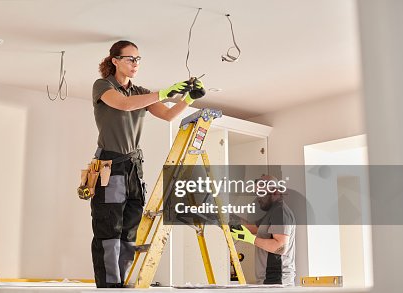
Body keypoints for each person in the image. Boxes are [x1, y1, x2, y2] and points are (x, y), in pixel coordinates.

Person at [90, 40, 205, 288]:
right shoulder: (103, 86)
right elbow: (123, 104)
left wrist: (189, 98)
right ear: (115, 61)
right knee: (109, 229)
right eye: (130, 59)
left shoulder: (141, 91)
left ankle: (123, 280)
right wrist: (164, 92)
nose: (135, 64)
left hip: (133, 167)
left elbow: (167, 115)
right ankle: (110, 285)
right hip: (110, 167)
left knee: (130, 230)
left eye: (138, 59)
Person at [230, 175, 296, 286]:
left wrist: (251, 239)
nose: (258, 198)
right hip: (270, 281)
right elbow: (252, 227)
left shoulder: (280, 212)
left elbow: (280, 247)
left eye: (261, 194)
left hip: (277, 281)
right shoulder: (273, 212)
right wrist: (227, 218)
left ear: (274, 192)